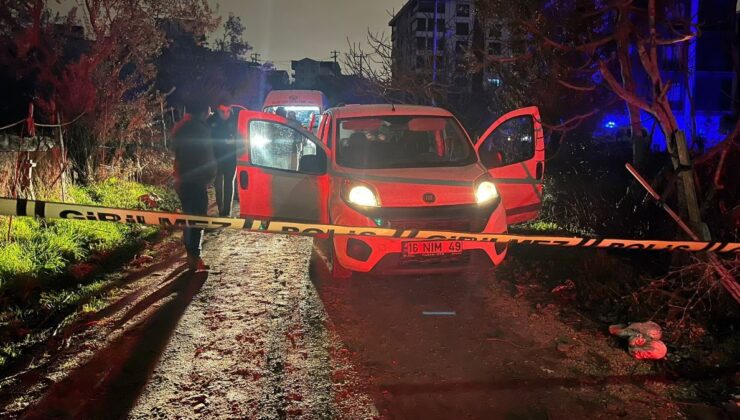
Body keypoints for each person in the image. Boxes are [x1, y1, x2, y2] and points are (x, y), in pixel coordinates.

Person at [173, 101, 216, 272]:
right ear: (204, 110)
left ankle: (191, 255)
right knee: (198, 218)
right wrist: (209, 173)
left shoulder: (183, 127)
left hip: (184, 179)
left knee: (190, 218)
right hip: (195, 180)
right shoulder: (200, 129)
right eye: (209, 108)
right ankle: (194, 256)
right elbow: (205, 155)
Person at [209, 103, 238, 217]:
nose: (226, 114)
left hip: (231, 158)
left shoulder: (235, 121)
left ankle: (226, 212)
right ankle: (221, 209)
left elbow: (241, 137)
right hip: (216, 158)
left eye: (228, 111)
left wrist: (234, 142)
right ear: (218, 110)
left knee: (229, 183)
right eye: (223, 111)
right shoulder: (211, 121)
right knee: (218, 184)